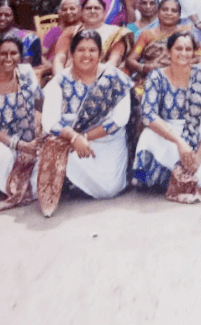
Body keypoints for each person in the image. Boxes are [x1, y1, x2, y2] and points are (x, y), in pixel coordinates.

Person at [39, 30, 133, 216]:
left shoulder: (115, 78)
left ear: (100, 54)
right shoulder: (60, 81)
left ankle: (70, 181)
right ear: (72, 53)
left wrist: (85, 137)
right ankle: (68, 180)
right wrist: (74, 138)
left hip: (108, 142)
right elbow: (50, 122)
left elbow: (119, 119)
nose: (86, 55)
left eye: (92, 50)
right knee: (50, 149)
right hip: (70, 142)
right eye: (81, 50)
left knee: (109, 190)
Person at [132, 32, 201, 202]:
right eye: (178, 48)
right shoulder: (156, 76)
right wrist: (180, 143)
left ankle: (173, 179)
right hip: (169, 132)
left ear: (194, 53)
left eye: (188, 49)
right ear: (168, 51)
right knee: (146, 144)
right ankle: (147, 179)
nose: (183, 53)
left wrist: (198, 156)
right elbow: (148, 114)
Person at [0, 35, 44, 210]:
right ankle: (6, 190)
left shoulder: (25, 73)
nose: (9, 58)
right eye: (3, 54)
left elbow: (40, 102)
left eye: (14, 53)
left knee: (52, 151)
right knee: (1, 156)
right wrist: (19, 145)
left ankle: (18, 189)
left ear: (20, 56)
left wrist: (39, 126)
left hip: (28, 140)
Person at [125, 0, 191, 97]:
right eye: (165, 9)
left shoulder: (185, 33)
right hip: (150, 78)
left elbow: (199, 54)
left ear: (179, 15)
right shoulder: (147, 34)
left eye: (173, 11)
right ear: (158, 13)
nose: (169, 13)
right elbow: (131, 59)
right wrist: (143, 68)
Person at [53, 0, 132, 74]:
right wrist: (60, 77)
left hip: (103, 75)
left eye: (97, 8)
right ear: (82, 12)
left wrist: (94, 78)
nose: (92, 11)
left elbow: (113, 61)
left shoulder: (117, 33)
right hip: (70, 75)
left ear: (104, 12)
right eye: (88, 8)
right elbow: (59, 58)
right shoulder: (71, 31)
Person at [0, 0, 41, 69]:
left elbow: (37, 67)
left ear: (14, 17)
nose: (2, 18)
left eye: (7, 15)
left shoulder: (29, 40)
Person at [41, 0, 82, 67]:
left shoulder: (85, 29)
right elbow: (40, 54)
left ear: (80, 10)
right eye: (64, 9)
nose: (68, 12)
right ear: (61, 12)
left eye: (72, 9)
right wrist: (50, 67)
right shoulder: (55, 31)